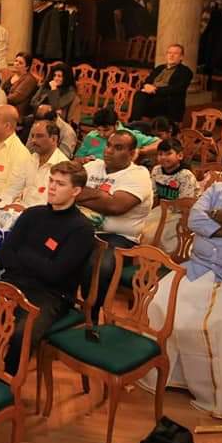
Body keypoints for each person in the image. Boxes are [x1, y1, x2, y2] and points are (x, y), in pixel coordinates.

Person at [0, 160, 95, 371]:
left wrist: (24, 253)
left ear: (76, 191)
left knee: (19, 337)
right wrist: (38, 260)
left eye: (60, 184)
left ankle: (5, 383)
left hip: (50, 296)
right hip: (11, 284)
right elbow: (4, 255)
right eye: (51, 181)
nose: (52, 187)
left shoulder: (81, 228)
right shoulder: (32, 214)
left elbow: (55, 274)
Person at [139, 177, 222, 419]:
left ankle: (216, 395)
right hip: (198, 267)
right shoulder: (219, 189)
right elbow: (195, 219)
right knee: (157, 302)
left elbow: (207, 222)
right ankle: (165, 376)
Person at [77, 131, 154, 311]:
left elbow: (115, 207)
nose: (109, 151)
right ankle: (60, 303)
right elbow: (69, 189)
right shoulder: (93, 167)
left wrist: (83, 194)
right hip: (83, 229)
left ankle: (91, 314)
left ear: (132, 153)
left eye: (118, 148)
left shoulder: (139, 175)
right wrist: (103, 196)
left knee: (99, 266)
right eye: (109, 145)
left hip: (118, 237)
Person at [140, 138, 199, 252]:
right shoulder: (157, 170)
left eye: (168, 154)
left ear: (180, 156)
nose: (163, 157)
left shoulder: (185, 175)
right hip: (163, 209)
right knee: (142, 227)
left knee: (161, 235)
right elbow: (153, 193)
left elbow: (186, 204)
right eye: (160, 154)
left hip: (182, 212)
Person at [131, 44, 195, 124]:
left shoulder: (185, 71)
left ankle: (135, 124)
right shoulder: (159, 68)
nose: (171, 56)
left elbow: (177, 89)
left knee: (145, 99)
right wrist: (146, 86)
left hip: (169, 99)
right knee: (139, 94)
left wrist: (155, 89)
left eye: (175, 53)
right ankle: (135, 122)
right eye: (169, 53)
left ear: (181, 57)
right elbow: (147, 81)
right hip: (152, 96)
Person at [75, 107, 159, 162]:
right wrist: (84, 160)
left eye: (106, 130)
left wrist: (140, 151)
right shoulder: (91, 136)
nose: (102, 134)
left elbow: (159, 143)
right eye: (98, 130)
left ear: (116, 124)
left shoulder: (128, 136)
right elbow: (77, 158)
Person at [20, 120, 70, 208]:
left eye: (39, 136)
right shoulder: (30, 158)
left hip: (41, 213)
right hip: (19, 209)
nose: (33, 140)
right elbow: (15, 187)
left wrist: (26, 211)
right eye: (32, 136)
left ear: (53, 139)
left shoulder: (63, 166)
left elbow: (53, 204)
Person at [3, 52, 38, 116]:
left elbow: (15, 98)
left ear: (27, 67)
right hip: (5, 106)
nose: (16, 64)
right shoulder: (12, 76)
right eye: (16, 61)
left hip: (16, 111)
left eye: (20, 63)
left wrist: (0, 99)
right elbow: (1, 91)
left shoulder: (29, 80)